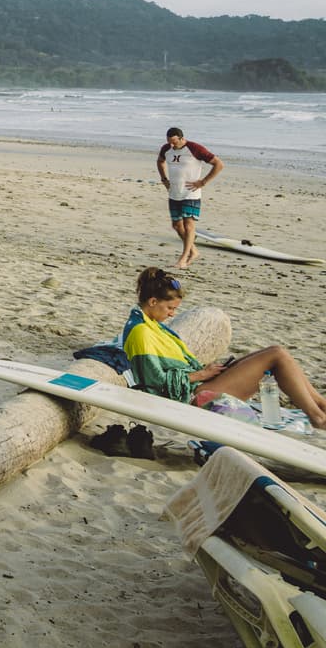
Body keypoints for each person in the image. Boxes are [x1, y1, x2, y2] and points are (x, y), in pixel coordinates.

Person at [125, 267, 326, 429]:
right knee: (277, 356)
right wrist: (201, 374)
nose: (172, 315)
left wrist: (206, 371)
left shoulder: (152, 327)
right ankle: (318, 416)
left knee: (273, 351)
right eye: (170, 308)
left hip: (198, 385)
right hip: (193, 395)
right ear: (153, 302)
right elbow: (154, 382)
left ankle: (320, 407)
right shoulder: (141, 332)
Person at [157, 126, 223, 269]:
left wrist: (203, 182)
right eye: (169, 142)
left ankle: (183, 259)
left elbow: (218, 164)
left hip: (191, 193)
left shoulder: (195, 148)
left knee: (189, 225)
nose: (172, 145)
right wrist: (164, 179)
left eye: (174, 141)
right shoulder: (166, 149)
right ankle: (193, 251)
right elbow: (160, 161)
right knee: (176, 225)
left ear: (182, 138)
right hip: (174, 193)